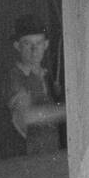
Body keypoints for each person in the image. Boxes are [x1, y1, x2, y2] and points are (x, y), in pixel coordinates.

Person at [6, 14, 65, 154]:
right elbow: (26, 116)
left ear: (46, 45)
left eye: (39, 43)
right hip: (27, 158)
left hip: (50, 154)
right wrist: (69, 110)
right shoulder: (15, 77)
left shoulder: (47, 76)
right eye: (27, 43)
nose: (34, 49)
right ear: (17, 46)